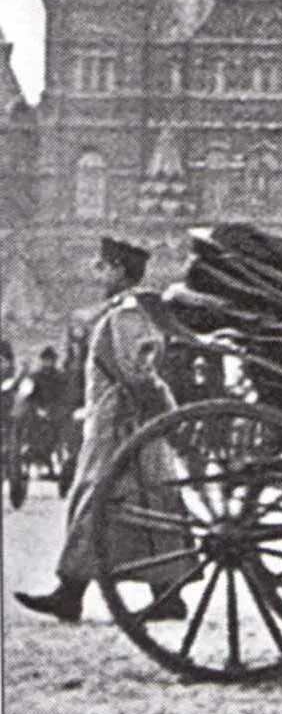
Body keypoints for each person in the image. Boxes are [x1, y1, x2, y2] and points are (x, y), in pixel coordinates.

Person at [14, 239, 188, 624]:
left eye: (104, 266)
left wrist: (157, 413)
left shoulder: (125, 315)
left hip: (120, 428)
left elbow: (137, 373)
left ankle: (71, 594)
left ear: (119, 271)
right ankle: (162, 593)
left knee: (99, 502)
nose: (98, 272)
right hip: (124, 425)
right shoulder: (131, 312)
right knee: (142, 504)